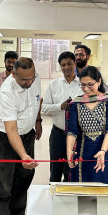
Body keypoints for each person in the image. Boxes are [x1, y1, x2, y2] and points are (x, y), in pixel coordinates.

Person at [0, 57, 42, 215]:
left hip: (27, 134)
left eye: (31, 78)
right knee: (3, 186)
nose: (29, 82)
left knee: (23, 180)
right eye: (24, 80)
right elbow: (11, 129)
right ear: (13, 74)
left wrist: (38, 121)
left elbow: (36, 102)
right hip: (4, 137)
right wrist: (23, 155)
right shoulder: (7, 91)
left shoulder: (36, 78)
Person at [66, 66, 108, 185]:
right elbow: (72, 131)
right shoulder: (76, 103)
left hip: (106, 150)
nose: (86, 89)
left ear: (98, 81)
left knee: (107, 187)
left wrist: (103, 151)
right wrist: (69, 152)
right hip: (84, 151)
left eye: (90, 84)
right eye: (82, 85)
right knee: (85, 189)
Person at [42, 51, 83, 182]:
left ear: (75, 63)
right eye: (63, 65)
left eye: (69, 64)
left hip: (78, 135)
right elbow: (44, 107)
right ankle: (53, 199)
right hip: (58, 134)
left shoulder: (83, 84)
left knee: (73, 171)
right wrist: (61, 106)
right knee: (55, 171)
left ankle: (70, 200)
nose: (66, 67)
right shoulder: (53, 85)